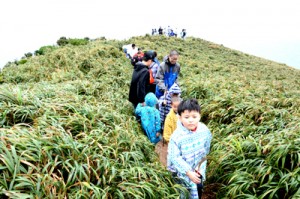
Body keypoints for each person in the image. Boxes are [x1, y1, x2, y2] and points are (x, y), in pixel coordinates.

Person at [167, 99, 212, 199]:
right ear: (180, 117)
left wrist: (200, 166)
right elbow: (174, 157)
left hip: (198, 169)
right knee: (184, 192)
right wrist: (188, 172)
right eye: (186, 117)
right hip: (182, 172)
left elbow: (206, 149)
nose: (191, 120)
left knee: (198, 187)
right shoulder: (176, 137)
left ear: (199, 116)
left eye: (194, 116)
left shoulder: (204, 130)